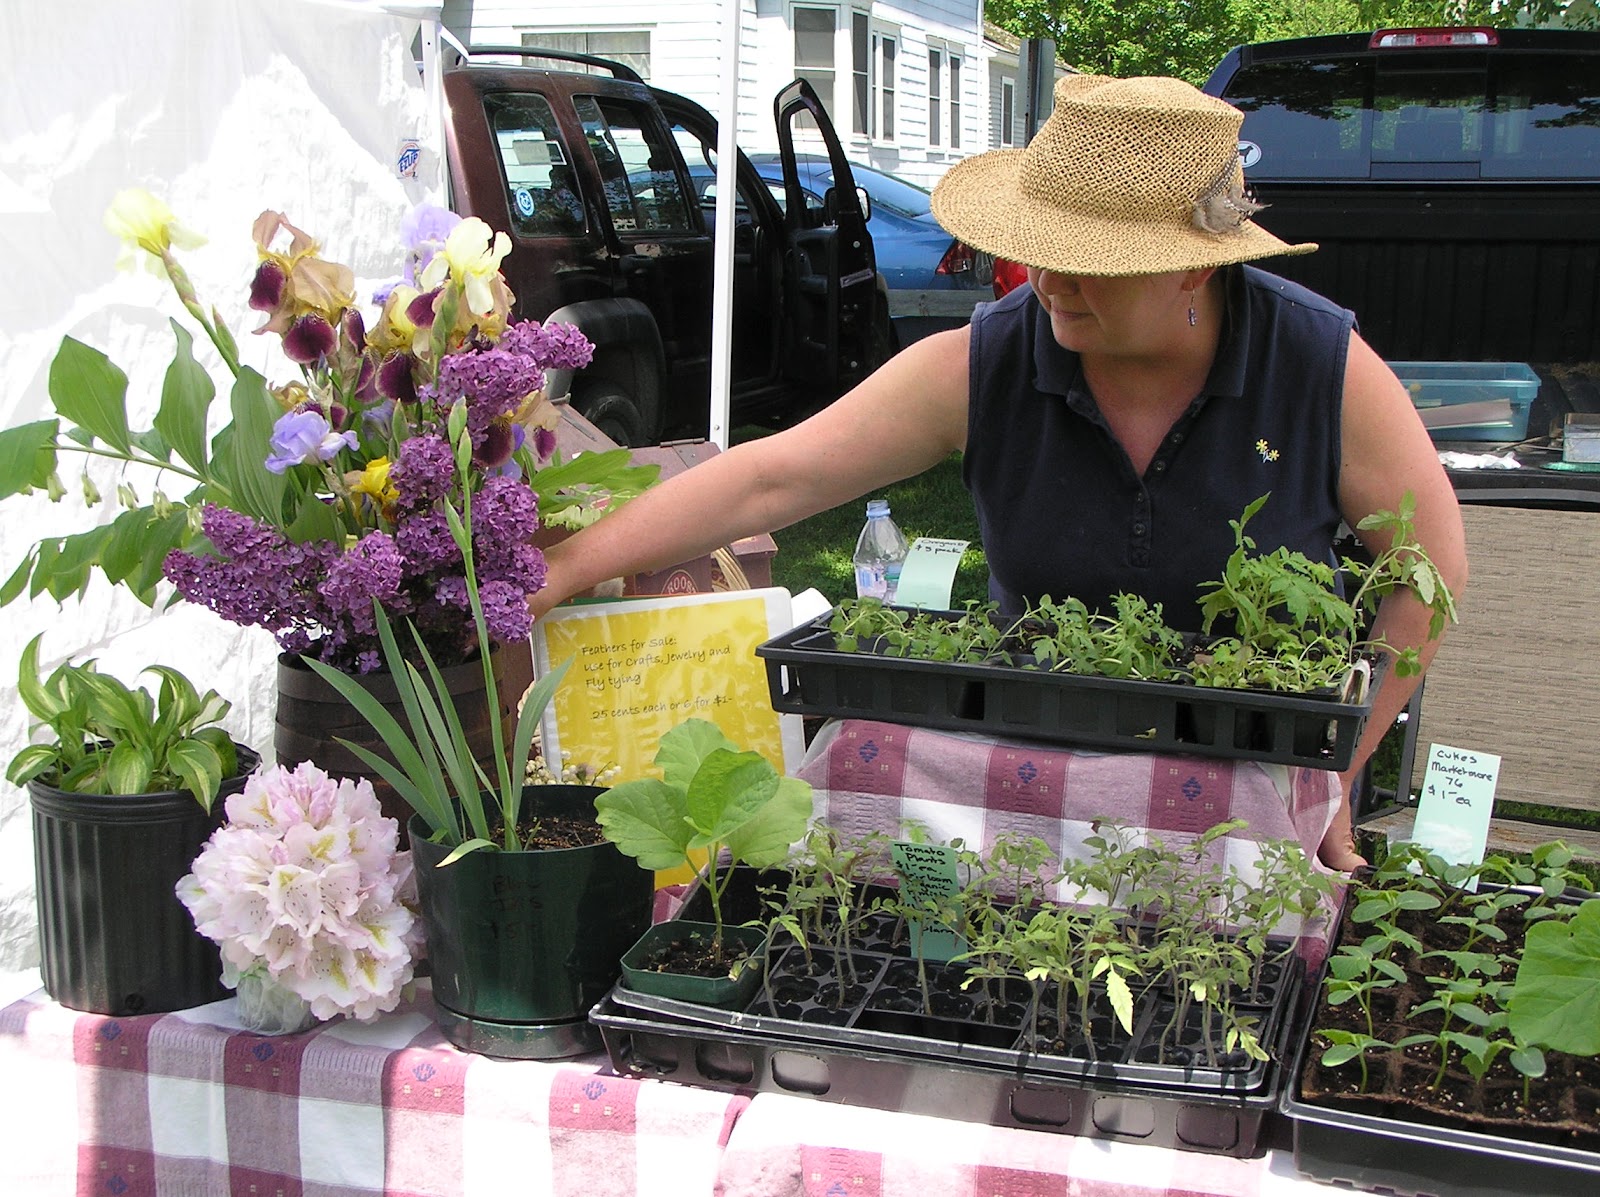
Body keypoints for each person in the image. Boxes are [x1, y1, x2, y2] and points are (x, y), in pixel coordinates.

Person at [529, 74, 1468, 872]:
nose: (1049, 284)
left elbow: (1430, 576)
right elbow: (770, 481)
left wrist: (1339, 773)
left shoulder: (1316, 366)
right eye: (1041, 251)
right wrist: (564, 567)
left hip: (1246, 782)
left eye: (1090, 263)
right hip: (1024, 768)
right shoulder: (988, 363)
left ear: (1193, 269)